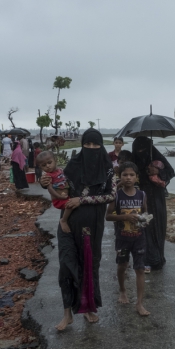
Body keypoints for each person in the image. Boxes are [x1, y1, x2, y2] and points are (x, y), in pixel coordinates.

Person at [40, 128, 116, 331]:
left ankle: (89, 307)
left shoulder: (108, 168)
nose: (91, 148)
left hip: (92, 225)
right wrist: (44, 182)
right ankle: (67, 314)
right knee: (66, 264)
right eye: (87, 144)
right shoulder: (72, 165)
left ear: (101, 146)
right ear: (82, 145)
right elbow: (58, 184)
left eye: (95, 144)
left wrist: (82, 200)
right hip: (67, 223)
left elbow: (111, 196)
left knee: (89, 265)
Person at [106, 162, 150, 316]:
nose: (128, 178)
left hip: (139, 238)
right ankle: (122, 290)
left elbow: (145, 213)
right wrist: (125, 216)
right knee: (122, 266)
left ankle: (139, 303)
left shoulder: (142, 195)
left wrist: (144, 220)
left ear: (137, 178)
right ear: (120, 177)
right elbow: (108, 216)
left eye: (132, 175)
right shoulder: (116, 196)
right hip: (122, 238)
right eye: (125, 175)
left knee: (139, 269)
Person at [132, 137, 175, 272]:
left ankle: (158, 258)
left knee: (157, 227)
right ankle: (146, 260)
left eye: (144, 149)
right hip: (140, 198)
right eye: (138, 150)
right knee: (144, 227)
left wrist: (159, 172)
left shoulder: (156, 157)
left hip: (157, 198)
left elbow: (170, 172)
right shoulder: (133, 160)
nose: (141, 152)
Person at [37, 150, 73, 233]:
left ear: (55, 160)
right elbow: (50, 189)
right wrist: (59, 196)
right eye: (44, 165)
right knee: (70, 205)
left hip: (64, 196)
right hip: (58, 199)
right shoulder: (48, 176)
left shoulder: (60, 170)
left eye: (49, 162)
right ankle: (63, 220)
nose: (48, 166)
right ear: (41, 168)